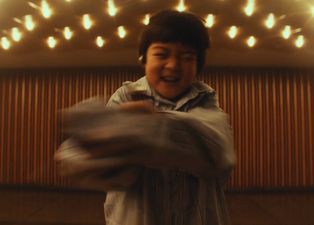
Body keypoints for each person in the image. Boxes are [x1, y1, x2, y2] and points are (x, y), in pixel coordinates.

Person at [55, 9, 236, 225]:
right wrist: (93, 142)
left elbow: (216, 155)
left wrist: (135, 128)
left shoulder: (207, 102)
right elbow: (78, 159)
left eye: (187, 57)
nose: (173, 65)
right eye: (161, 54)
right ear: (143, 57)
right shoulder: (125, 96)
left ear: (198, 65)